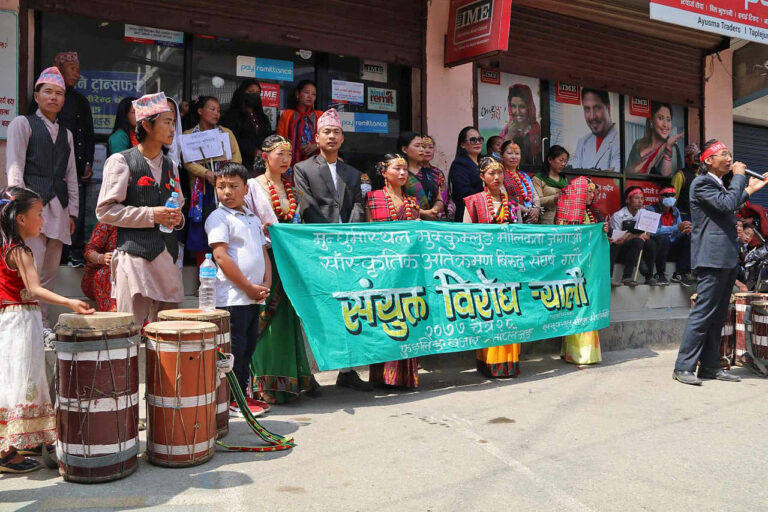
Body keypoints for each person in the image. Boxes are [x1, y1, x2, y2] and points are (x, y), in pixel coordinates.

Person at [0, 186, 92, 474]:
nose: (44, 220)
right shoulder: (20, 251)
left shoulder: (5, 247)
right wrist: (68, 301)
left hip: (10, 319)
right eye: (39, 214)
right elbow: (35, 288)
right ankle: (8, 453)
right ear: (21, 219)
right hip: (21, 323)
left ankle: (14, 443)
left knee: (12, 379)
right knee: (24, 378)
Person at [673, 139, 768, 385]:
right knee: (703, 312)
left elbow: (729, 204)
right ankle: (684, 366)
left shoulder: (718, 185)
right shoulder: (701, 182)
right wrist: (739, 178)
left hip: (725, 257)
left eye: (730, 155)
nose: (729, 159)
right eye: (723, 154)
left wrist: (750, 190)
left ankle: (710, 366)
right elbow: (727, 203)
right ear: (708, 160)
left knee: (717, 315)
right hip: (711, 257)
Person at [293, 108, 370, 391]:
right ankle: (310, 374)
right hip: (318, 249)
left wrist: (349, 235)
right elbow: (306, 205)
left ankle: (347, 370)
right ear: (317, 137)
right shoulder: (303, 169)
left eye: (336, 132)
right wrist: (330, 237)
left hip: (347, 250)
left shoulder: (352, 171)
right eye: (326, 131)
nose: (332, 136)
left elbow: (359, 205)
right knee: (317, 307)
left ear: (343, 138)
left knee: (349, 307)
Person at [96, 92, 185, 326]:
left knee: (168, 330)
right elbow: (105, 211)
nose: (172, 128)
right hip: (134, 255)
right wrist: (151, 214)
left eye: (173, 122)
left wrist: (177, 218)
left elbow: (179, 204)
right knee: (129, 328)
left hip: (167, 254)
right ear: (146, 124)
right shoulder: (121, 161)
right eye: (167, 122)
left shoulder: (171, 165)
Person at [245, 135, 318, 404]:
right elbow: (245, 219)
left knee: (286, 320)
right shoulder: (252, 186)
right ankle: (262, 383)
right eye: (280, 154)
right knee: (267, 320)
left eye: (289, 154)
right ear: (265, 156)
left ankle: (290, 380)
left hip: (288, 260)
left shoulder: (292, 188)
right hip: (264, 258)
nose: (286, 159)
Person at [5, 67, 79, 329]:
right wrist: (19, 208)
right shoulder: (22, 124)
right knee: (30, 269)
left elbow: (71, 176)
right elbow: (15, 167)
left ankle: (43, 323)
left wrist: (73, 213)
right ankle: (25, 322)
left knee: (48, 272)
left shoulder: (67, 134)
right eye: (47, 91)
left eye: (59, 93)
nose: (53, 97)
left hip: (58, 208)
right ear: (36, 96)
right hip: (30, 208)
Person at [205, 162, 272, 415]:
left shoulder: (253, 218)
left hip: (254, 297)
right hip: (232, 297)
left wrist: (266, 284)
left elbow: (263, 253)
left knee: (248, 348)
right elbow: (221, 257)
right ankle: (230, 398)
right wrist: (248, 287)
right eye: (221, 187)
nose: (227, 192)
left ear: (246, 189)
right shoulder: (218, 217)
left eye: (233, 186)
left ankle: (241, 396)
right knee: (234, 349)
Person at [363, 154, 421, 387]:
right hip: (383, 269)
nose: (402, 173)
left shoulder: (412, 201)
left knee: (407, 321)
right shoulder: (373, 198)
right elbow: (368, 235)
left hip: (408, 272)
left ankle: (404, 377)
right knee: (384, 319)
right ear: (383, 171)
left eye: (405, 169)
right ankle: (381, 377)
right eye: (397, 169)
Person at [463, 157, 521, 376]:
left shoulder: (512, 202)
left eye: (500, 173)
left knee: (509, 312)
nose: (496, 178)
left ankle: (509, 363)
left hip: (508, 267)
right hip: (483, 269)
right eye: (491, 174)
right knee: (489, 314)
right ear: (482, 177)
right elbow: (465, 237)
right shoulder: (473, 201)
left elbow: (520, 235)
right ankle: (488, 364)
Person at [183, 96, 242, 265]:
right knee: (202, 231)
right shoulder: (189, 135)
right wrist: (206, 173)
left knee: (224, 229)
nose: (217, 113)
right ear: (200, 111)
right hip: (201, 189)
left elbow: (237, 157)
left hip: (223, 187)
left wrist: (223, 175)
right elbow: (187, 162)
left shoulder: (226, 133)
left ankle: (225, 272)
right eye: (212, 109)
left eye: (218, 110)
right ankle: (204, 277)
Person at [555, 176, 608, 364]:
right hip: (573, 270)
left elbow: (602, 240)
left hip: (591, 268)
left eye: (593, 192)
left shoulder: (594, 213)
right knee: (576, 307)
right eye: (588, 191)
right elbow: (562, 241)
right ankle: (575, 352)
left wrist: (603, 231)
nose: (591, 195)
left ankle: (588, 353)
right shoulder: (565, 212)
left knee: (589, 306)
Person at [52, 52, 94, 268]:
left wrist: (88, 161)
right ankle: (59, 252)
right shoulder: (50, 99)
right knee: (57, 206)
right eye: (73, 69)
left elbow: (88, 133)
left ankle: (75, 251)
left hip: (77, 165)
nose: (77, 74)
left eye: (78, 70)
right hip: (56, 166)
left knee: (76, 207)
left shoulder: (80, 100)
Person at [609, 187, 659, 287]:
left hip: (640, 248)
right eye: (636, 198)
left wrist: (645, 236)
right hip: (622, 248)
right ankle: (627, 276)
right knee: (637, 241)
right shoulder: (618, 216)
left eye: (642, 198)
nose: (640, 201)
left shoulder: (645, 214)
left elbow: (648, 234)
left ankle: (649, 276)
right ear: (628, 200)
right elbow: (618, 239)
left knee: (651, 243)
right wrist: (635, 236)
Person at [221, 79, 272, 174]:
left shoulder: (262, 117)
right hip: (240, 164)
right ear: (242, 93)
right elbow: (232, 139)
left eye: (257, 93)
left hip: (261, 165)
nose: (254, 95)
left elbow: (267, 137)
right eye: (251, 92)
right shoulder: (231, 116)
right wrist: (253, 150)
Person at [647, 187, 693, 286]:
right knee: (663, 238)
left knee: (688, 237)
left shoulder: (675, 210)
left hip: (671, 246)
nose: (671, 198)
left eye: (673, 195)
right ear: (660, 197)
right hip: (657, 247)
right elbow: (653, 232)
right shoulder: (652, 209)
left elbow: (678, 232)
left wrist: (684, 230)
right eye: (667, 195)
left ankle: (680, 273)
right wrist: (676, 228)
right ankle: (660, 273)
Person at [626, 102, 684, 176]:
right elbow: (626, 174)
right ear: (651, 121)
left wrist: (668, 148)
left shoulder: (672, 148)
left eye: (668, 120)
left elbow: (667, 179)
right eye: (660, 118)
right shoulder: (638, 145)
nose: (665, 125)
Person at [570, 89, 620, 171]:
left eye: (597, 108)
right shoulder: (582, 142)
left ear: (608, 109)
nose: (592, 116)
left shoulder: (622, 141)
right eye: (587, 109)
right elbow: (573, 176)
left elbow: (614, 180)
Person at [276, 80, 323, 167]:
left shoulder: (320, 115)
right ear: (298, 94)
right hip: (290, 164)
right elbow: (279, 140)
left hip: (315, 164)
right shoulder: (287, 115)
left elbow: (328, 140)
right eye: (306, 92)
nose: (310, 96)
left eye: (313, 94)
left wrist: (316, 145)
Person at [399, 132, 445, 220]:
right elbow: (396, 198)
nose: (422, 150)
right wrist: (422, 213)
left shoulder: (433, 173)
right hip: (408, 221)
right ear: (404, 149)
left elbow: (439, 198)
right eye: (417, 146)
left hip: (431, 221)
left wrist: (434, 210)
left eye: (422, 146)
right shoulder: (400, 173)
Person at [448, 127, 484, 222]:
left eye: (480, 139)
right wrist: (487, 197)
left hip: (488, 212)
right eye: (473, 140)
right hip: (468, 216)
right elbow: (464, 193)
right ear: (463, 144)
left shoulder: (485, 162)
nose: (477, 142)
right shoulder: (459, 164)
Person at [500, 84, 541, 166]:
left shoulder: (536, 130)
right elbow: (498, 156)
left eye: (522, 106)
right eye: (513, 106)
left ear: (529, 107)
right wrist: (510, 135)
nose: (517, 111)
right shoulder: (507, 130)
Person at [500, 140, 540, 223]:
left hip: (531, 218)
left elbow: (535, 195)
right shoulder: (500, 175)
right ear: (501, 156)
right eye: (510, 153)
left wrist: (536, 209)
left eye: (517, 154)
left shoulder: (524, 176)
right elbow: (504, 197)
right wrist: (528, 211)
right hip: (512, 217)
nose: (514, 157)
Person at [81, 222, 117, 311]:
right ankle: (110, 316)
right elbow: (89, 251)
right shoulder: (109, 221)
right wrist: (101, 258)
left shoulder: (147, 221)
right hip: (104, 274)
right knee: (105, 274)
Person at [532, 145, 569, 225]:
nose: (563, 164)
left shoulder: (564, 180)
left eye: (565, 161)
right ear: (550, 159)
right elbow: (537, 201)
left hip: (563, 221)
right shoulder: (538, 178)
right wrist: (554, 198)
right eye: (561, 160)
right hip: (545, 221)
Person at [421, 135, 455, 219]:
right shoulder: (409, 172)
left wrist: (446, 210)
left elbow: (445, 196)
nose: (427, 151)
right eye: (423, 147)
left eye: (431, 147)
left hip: (437, 217)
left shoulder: (437, 173)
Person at [671, 143, 700, 217]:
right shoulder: (680, 175)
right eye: (694, 156)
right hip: (685, 216)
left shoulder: (703, 175)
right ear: (687, 159)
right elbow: (673, 198)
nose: (697, 158)